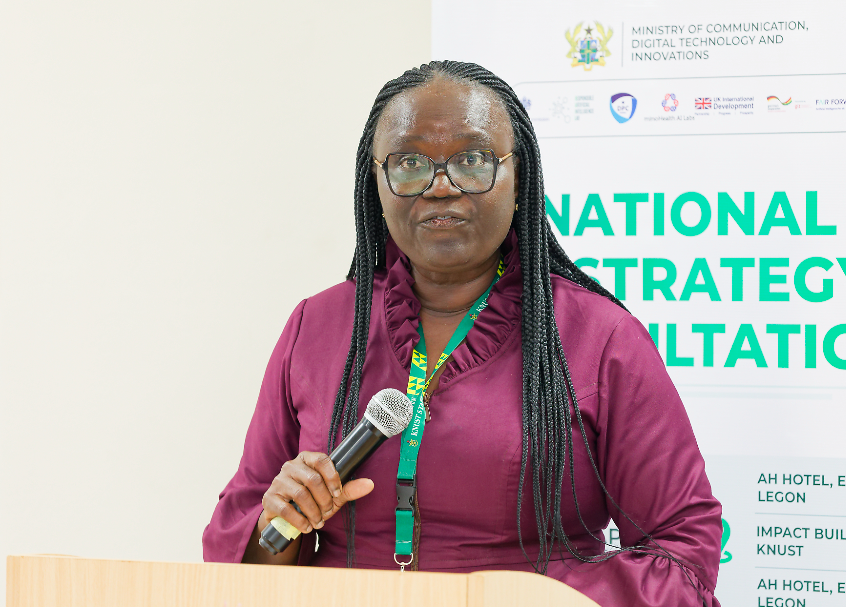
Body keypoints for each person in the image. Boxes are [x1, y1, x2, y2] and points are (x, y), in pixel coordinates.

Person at [203, 60, 723, 607]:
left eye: (472, 160)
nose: (440, 187)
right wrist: (280, 524)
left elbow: (683, 552)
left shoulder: (600, 338)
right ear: (377, 185)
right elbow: (239, 550)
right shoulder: (317, 325)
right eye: (409, 163)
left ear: (519, 180)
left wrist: (527, 600)